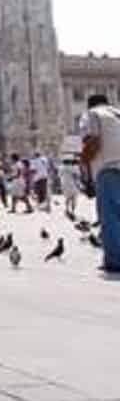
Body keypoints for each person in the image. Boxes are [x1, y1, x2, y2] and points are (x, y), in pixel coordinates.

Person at [80, 94, 120, 273]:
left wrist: (84, 164)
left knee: (110, 216)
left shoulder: (92, 114)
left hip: (109, 168)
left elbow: (93, 142)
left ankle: (114, 260)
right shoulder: (117, 113)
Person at [60, 154, 81, 219]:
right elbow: (77, 176)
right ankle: (72, 211)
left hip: (65, 185)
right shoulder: (74, 168)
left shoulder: (61, 168)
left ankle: (66, 209)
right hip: (73, 185)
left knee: (67, 198)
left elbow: (60, 176)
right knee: (74, 199)